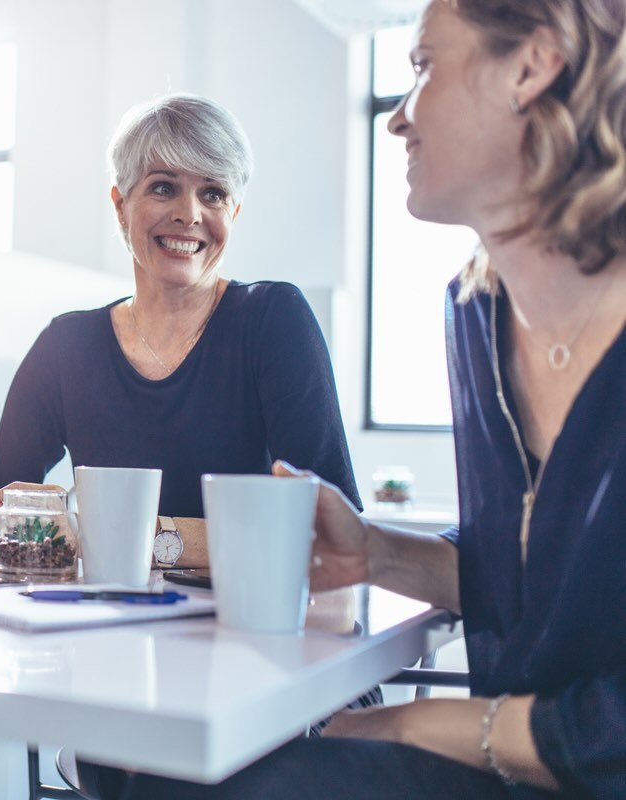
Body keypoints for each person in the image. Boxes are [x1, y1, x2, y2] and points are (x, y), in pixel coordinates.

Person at [81, 0, 626, 796]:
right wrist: (377, 552)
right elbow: (533, 578)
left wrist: (426, 724)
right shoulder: (477, 315)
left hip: (562, 760)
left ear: (531, 66)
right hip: (520, 768)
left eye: (424, 68)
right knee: (158, 773)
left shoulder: (273, 318)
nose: (397, 119)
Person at [0, 94, 361, 568]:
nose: (189, 213)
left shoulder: (274, 319)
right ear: (120, 205)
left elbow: (336, 529)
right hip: (99, 625)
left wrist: (143, 537)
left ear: (233, 213)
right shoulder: (67, 345)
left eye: (213, 193)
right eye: (164, 187)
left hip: (244, 623)